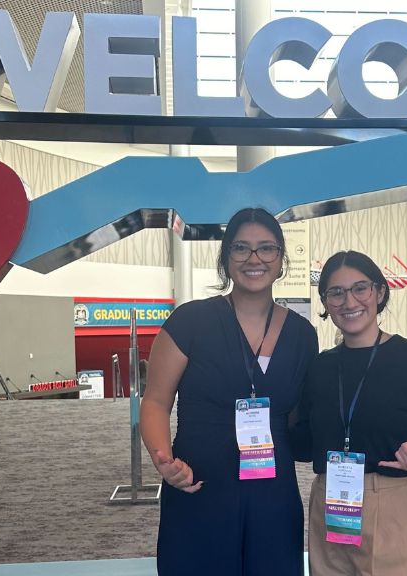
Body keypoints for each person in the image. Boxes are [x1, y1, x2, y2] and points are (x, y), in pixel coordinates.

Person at [141, 207, 319, 576]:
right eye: (241, 248)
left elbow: (306, 416)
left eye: (266, 248)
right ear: (226, 258)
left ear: (281, 259)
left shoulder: (302, 335)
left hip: (272, 493)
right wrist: (163, 459)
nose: (254, 259)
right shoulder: (190, 322)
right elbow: (156, 402)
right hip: (199, 484)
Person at [291, 250, 407, 576]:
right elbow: (303, 441)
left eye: (360, 288)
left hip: (393, 502)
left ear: (380, 292)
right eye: (336, 292)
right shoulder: (320, 367)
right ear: (326, 303)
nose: (349, 301)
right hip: (332, 500)